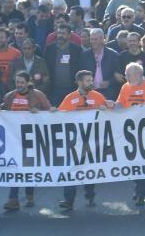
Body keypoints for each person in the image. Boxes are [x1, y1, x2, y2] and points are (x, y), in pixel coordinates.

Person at [58, 70, 113, 210]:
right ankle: (68, 200)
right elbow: (59, 117)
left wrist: (106, 108)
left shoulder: (98, 96)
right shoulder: (70, 98)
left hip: (93, 141)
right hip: (75, 142)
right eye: (87, 80)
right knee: (71, 170)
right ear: (79, 82)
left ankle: (90, 195)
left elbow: (110, 115)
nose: (91, 82)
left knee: (90, 170)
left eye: (91, 80)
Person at [0, 70, 54, 210]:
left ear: (29, 82)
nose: (19, 85)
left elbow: (51, 112)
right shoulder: (9, 96)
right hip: (14, 138)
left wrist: (41, 112)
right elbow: (2, 110)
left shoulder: (38, 95)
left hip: (32, 139)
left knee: (28, 169)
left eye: (22, 82)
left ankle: (30, 195)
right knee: (15, 168)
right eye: (17, 82)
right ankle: (13, 199)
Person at [116, 62, 145, 204]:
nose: (126, 77)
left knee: (143, 161)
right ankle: (139, 188)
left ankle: (141, 193)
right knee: (134, 161)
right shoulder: (125, 87)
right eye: (126, 74)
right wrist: (112, 105)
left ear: (138, 74)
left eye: (128, 75)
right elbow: (121, 103)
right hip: (131, 131)